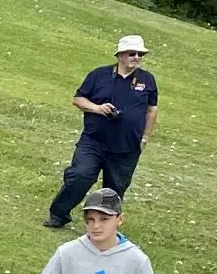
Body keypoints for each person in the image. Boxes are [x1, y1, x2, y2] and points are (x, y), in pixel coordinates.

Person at [45, 35, 159, 228]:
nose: (137, 57)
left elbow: (151, 110)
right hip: (94, 141)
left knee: (114, 191)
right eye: (133, 53)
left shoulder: (147, 80)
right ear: (121, 55)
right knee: (80, 176)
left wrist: (145, 138)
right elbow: (78, 99)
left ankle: (104, 229)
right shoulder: (99, 75)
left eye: (141, 54)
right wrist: (97, 108)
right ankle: (59, 215)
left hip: (127, 147)